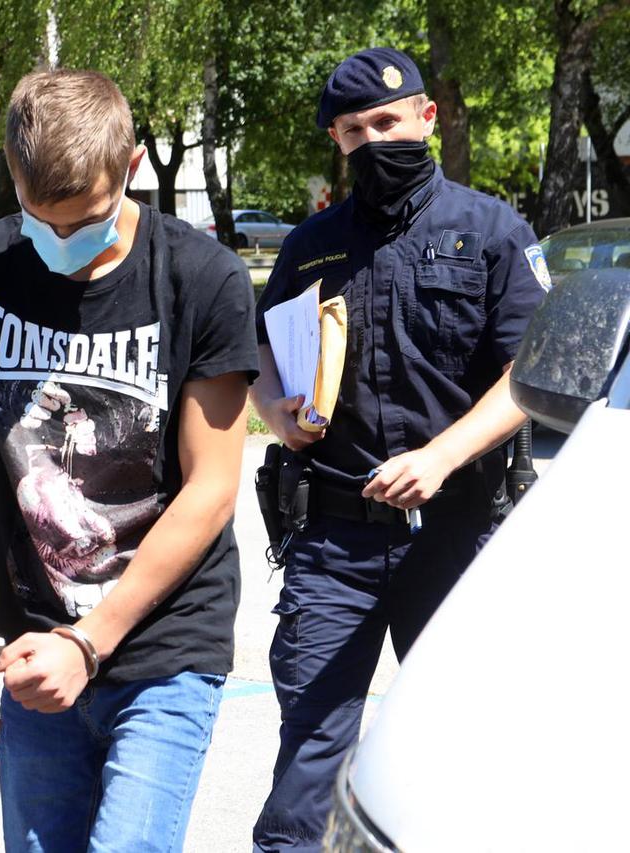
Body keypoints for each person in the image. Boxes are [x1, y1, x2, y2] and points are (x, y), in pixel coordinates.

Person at [0, 69, 257, 852]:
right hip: (34, 648)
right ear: (12, 170)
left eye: (87, 220)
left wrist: (90, 641)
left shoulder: (202, 278)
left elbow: (211, 488)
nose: (62, 243)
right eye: (42, 220)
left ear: (132, 166)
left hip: (165, 645)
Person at [248, 48, 549, 850]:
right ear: (337, 142)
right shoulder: (311, 243)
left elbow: (530, 374)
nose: (374, 140)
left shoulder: (493, 231)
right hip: (333, 542)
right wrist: (275, 410)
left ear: (426, 117)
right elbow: (263, 347)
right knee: (308, 759)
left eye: (387, 121)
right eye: (354, 130)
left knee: (458, 752)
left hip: (455, 530)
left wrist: (442, 456)